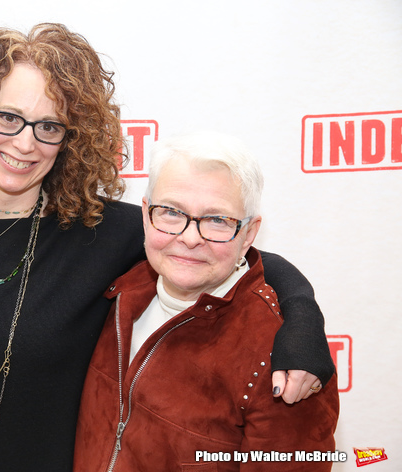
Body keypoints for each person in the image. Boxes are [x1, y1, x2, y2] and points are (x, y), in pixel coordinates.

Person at [0, 24, 334, 472]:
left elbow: (231, 252)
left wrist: (303, 323)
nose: (25, 143)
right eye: (8, 117)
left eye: (49, 126)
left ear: (69, 139)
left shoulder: (102, 232)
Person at [73, 131, 339, 472]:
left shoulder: (283, 359)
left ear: (249, 234)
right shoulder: (118, 286)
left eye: (217, 220)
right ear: (145, 213)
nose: (189, 238)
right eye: (170, 211)